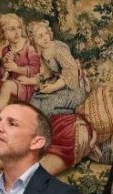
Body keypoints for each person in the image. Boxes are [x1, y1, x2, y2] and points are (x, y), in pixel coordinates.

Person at [25, 20, 94, 176]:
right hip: (59, 85)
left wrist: (53, 87)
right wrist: (43, 83)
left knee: (47, 106)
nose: (45, 38)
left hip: (73, 89)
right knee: (35, 101)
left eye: (46, 34)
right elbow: (48, 72)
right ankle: (32, 140)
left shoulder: (57, 48)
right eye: (40, 36)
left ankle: (44, 143)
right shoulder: (41, 50)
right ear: (33, 39)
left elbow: (71, 71)